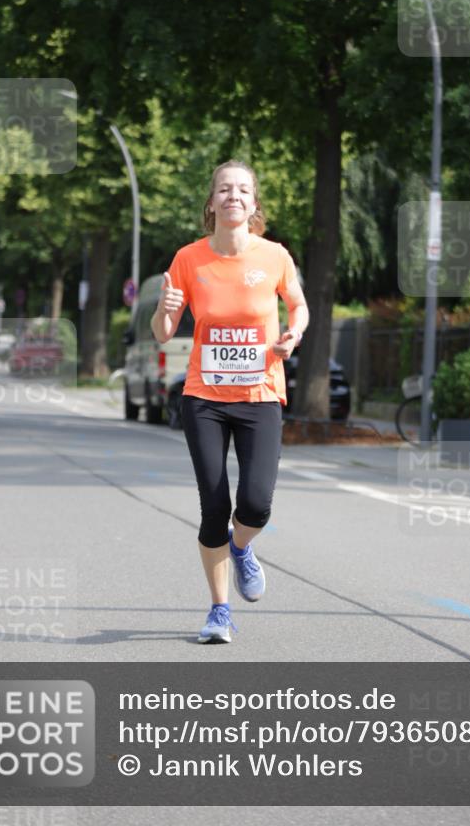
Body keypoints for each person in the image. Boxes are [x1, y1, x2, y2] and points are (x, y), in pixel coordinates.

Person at [151, 160, 309, 643]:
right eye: (224, 189)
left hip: (260, 393)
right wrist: (166, 309)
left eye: (242, 189)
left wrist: (292, 335)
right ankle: (220, 611)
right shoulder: (188, 259)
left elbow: (298, 304)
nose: (233, 196)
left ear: (253, 203)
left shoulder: (275, 256)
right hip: (204, 397)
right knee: (213, 505)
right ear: (212, 202)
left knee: (256, 504)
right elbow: (162, 335)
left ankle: (243, 548)